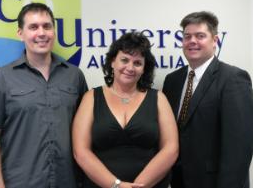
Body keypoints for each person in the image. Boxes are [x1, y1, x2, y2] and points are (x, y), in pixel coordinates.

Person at [0, 3, 88, 188]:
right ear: (20, 33)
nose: (41, 33)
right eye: (33, 27)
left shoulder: (75, 76)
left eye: (47, 26)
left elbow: (85, 133)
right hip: (20, 183)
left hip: (68, 182)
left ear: (54, 31)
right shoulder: (0, 79)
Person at [72, 32, 179, 188]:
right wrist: (116, 185)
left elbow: (171, 149)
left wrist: (137, 186)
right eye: (124, 60)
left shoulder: (159, 99)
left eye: (137, 63)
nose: (130, 67)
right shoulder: (91, 98)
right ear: (113, 62)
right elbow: (81, 151)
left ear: (144, 69)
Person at [162, 11, 253, 188]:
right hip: (178, 181)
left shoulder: (233, 78)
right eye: (187, 36)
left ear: (215, 41)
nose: (192, 41)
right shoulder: (172, 80)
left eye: (200, 36)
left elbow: (239, 148)